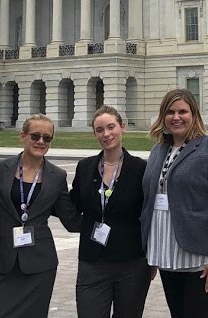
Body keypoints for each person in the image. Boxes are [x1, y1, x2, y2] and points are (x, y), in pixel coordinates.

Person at [141, 89, 208, 318]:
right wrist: (149, 253)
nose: (176, 117)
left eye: (182, 111)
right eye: (170, 112)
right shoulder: (159, 150)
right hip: (167, 252)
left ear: (194, 114)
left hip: (203, 256)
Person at [0, 113, 82, 318]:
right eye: (35, 136)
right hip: (2, 260)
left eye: (47, 138)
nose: (41, 142)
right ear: (22, 136)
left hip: (40, 264)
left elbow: (72, 221)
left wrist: (111, 215)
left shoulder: (57, 176)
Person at [70, 105, 150, 318]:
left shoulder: (141, 169)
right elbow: (72, 204)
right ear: (94, 133)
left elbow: (149, 215)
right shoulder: (85, 167)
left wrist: (153, 259)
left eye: (111, 127)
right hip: (92, 262)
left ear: (122, 127)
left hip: (131, 263)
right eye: (99, 129)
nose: (106, 134)